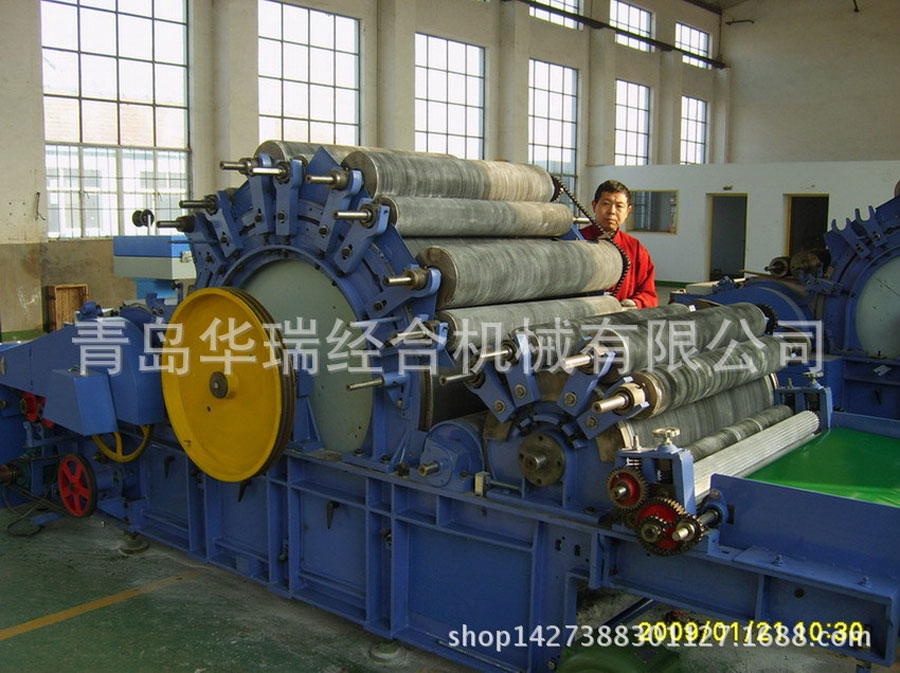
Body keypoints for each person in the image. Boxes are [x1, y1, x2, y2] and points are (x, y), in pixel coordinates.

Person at [579, 180, 658, 308]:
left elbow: (648, 294)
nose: (612, 211)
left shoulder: (635, 249)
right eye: (606, 204)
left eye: (619, 206)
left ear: (628, 211)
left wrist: (635, 303)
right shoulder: (575, 242)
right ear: (594, 206)